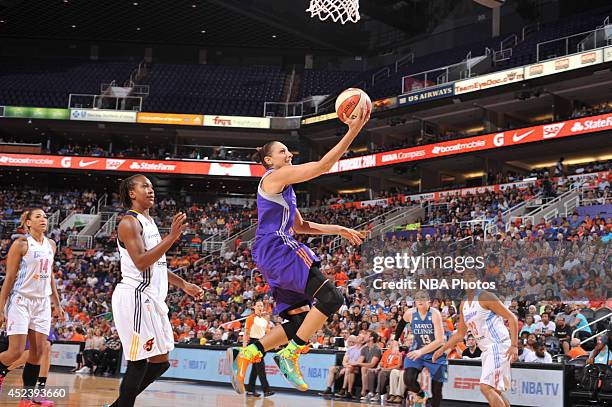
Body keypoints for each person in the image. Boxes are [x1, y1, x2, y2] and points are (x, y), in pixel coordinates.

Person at [229, 107, 370, 393]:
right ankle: (290, 354)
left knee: (299, 320)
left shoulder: (284, 187)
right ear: (269, 160)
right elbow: (321, 167)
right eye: (282, 151)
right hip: (279, 246)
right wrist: (352, 131)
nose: (288, 154)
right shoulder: (273, 177)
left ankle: (250, 352)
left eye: (288, 151)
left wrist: (339, 229)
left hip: (270, 252)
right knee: (331, 298)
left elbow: (302, 225)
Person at [105, 174, 204, 407]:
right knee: (139, 362)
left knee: (161, 362)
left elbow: (157, 265)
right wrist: (172, 237)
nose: (150, 190)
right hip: (136, 296)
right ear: (132, 193)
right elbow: (140, 261)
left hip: (151, 299)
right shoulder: (129, 222)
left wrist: (183, 285)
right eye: (144, 186)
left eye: (151, 187)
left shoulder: (149, 223)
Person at [0, 208, 65, 407]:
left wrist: (57, 303)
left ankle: (26, 399)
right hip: (21, 300)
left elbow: (50, 276)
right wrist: (0, 307)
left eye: (45, 217)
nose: (43, 219)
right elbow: (10, 278)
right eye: (38, 216)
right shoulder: (20, 244)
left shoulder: (51, 244)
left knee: (37, 353)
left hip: (42, 302)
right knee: (16, 352)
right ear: (28, 222)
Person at [433, 269, 519, 407]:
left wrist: (514, 345)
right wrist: (442, 349)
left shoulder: (486, 296)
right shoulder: (464, 304)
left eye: (471, 276)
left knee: (486, 387)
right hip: (487, 349)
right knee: (495, 390)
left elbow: (512, 317)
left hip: (498, 344)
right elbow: (460, 334)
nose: (468, 279)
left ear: (478, 280)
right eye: (465, 277)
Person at [394, 291, 446, 407]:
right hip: (417, 350)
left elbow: (440, 340)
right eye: (418, 299)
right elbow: (401, 324)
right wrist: (395, 340)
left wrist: (421, 351)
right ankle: (421, 394)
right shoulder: (410, 313)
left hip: (435, 352)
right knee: (408, 380)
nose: (420, 301)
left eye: (423, 298)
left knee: (437, 389)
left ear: (429, 301)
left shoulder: (434, 314)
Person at [243, 301, 273, 397]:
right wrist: (244, 346)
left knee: (255, 369)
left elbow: (268, 333)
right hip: (253, 343)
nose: (260, 307)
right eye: (258, 305)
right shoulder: (251, 318)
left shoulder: (265, 320)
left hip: (262, 343)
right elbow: (246, 332)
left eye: (261, 306)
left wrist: (273, 343)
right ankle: (266, 390)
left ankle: (250, 390)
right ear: (254, 307)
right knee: (261, 367)